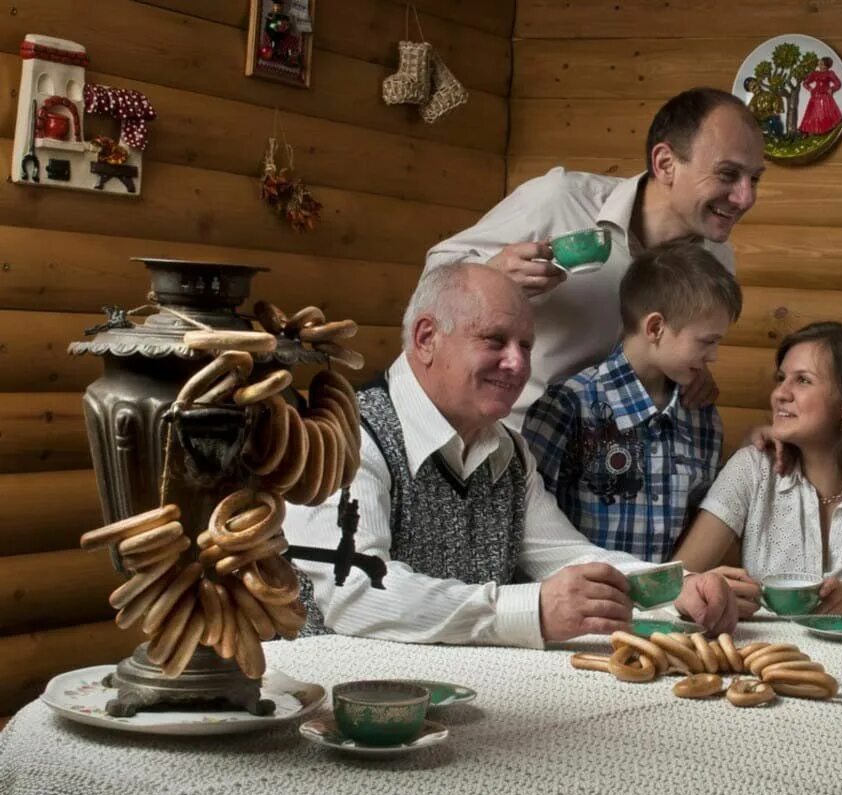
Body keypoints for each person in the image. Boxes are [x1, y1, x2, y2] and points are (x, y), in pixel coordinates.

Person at [284, 262, 737, 647]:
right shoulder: (345, 436)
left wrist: (673, 587)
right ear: (426, 338)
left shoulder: (508, 448)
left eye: (525, 346)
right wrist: (529, 609)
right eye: (495, 340)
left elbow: (563, 555)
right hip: (331, 712)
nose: (518, 365)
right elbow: (357, 591)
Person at [425, 87, 765, 427]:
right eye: (727, 174)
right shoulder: (559, 200)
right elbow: (434, 275)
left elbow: (658, 349)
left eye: (754, 178)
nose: (746, 197)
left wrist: (690, 372)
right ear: (665, 164)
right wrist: (491, 275)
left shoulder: (718, 261)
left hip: (607, 463)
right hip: (505, 438)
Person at [673, 322, 842, 617]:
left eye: (802, 380)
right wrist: (708, 589)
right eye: (781, 378)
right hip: (763, 657)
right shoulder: (752, 468)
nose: (780, 394)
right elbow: (680, 577)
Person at [523, 239, 741, 563]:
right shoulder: (568, 406)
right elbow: (529, 527)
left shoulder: (702, 417)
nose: (714, 356)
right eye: (706, 341)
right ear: (655, 327)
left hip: (668, 608)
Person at [797, 57, 842, 136]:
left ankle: (826, 129)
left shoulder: (830, 73)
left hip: (825, 96)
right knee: (813, 113)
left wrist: (832, 89)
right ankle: (811, 130)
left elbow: (838, 83)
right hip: (815, 96)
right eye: (820, 63)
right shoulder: (815, 73)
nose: (820, 65)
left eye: (822, 64)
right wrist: (811, 89)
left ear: (826, 65)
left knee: (826, 112)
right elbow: (805, 83)